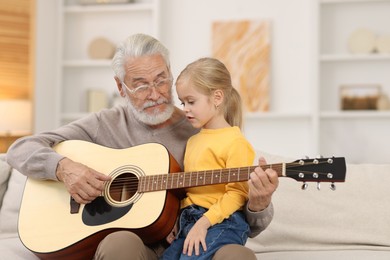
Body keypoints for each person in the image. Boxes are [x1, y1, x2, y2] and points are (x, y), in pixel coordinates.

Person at [7, 33, 279, 260]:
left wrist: (259, 203)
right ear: (121, 87)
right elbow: (21, 148)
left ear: (172, 74)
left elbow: (245, 219)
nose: (155, 93)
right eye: (140, 85)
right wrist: (63, 168)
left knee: (238, 256)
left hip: (196, 239)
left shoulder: (201, 128)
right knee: (119, 244)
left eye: (161, 79)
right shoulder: (106, 123)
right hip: (139, 246)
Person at [162, 57, 255, 260]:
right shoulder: (194, 141)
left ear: (217, 97)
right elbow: (191, 192)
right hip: (189, 220)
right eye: (182, 102)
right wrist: (174, 222)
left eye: (191, 101)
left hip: (223, 221)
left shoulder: (235, 142)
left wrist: (203, 223)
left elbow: (237, 194)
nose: (185, 108)